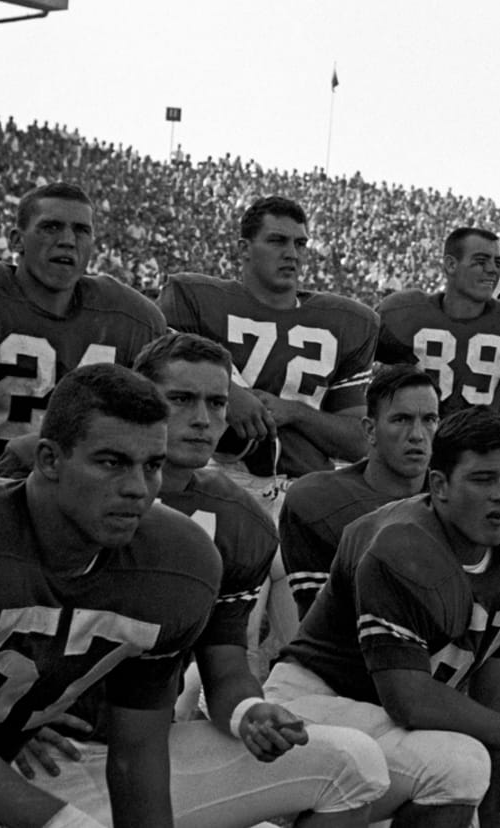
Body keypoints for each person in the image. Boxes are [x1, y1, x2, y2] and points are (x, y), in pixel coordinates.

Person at [6, 334, 390, 827]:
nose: (202, 419)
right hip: (21, 756)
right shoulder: (31, 470)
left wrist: (249, 710)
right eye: (182, 399)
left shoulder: (237, 520)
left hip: (143, 748)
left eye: (217, 403)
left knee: (354, 760)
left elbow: (224, 661)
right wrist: (3, 723)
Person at [265, 407, 500, 827]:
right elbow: (409, 698)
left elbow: (493, 687)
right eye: (483, 479)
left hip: (390, 729)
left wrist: (492, 814)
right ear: (440, 485)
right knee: (457, 765)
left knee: (467, 773)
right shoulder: (401, 547)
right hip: (317, 704)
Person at [0, 363, 221, 828]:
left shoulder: (177, 564)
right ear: (49, 460)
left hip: (23, 768)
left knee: (351, 762)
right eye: (111, 462)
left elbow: (138, 752)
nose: (137, 489)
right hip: (4, 784)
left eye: (153, 466)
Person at [158, 194, 379, 673]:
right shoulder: (199, 301)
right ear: (244, 249)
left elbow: (357, 440)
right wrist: (226, 386)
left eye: (300, 243)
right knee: (218, 650)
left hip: (303, 500)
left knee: (310, 658)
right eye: (277, 241)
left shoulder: (344, 323)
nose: (293, 254)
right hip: (224, 485)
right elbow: (162, 385)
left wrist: (295, 412)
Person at [0, 182, 166, 473]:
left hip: (82, 493)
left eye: (80, 230)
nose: (67, 240)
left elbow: (178, 356)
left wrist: (233, 389)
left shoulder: (128, 314)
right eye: (50, 227)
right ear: (16, 240)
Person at [375, 228, 500, 462]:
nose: (492, 269)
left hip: (475, 461)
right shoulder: (402, 312)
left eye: (497, 262)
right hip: (408, 457)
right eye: (481, 261)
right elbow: (353, 372)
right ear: (450, 265)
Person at [280, 364, 441, 620]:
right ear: (369, 430)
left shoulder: (454, 504)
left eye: (429, 420)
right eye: (401, 419)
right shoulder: (320, 501)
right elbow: (326, 625)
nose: (417, 435)